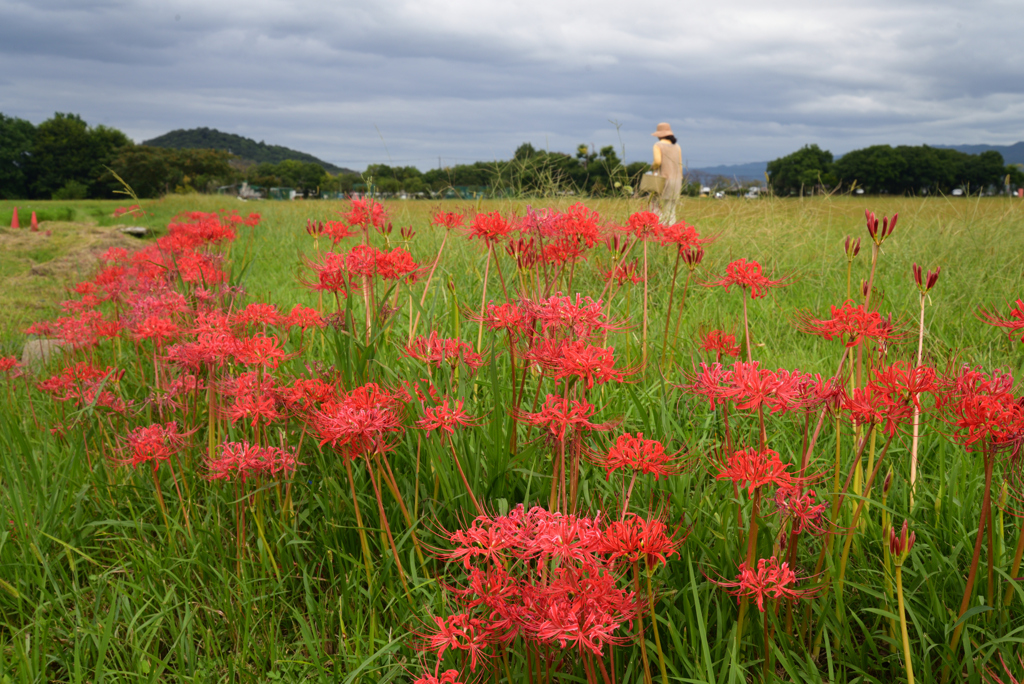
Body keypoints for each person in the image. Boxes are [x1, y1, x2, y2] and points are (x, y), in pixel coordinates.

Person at [650, 122, 683, 225]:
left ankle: (658, 227)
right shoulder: (677, 146)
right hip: (677, 181)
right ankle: (671, 230)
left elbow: (657, 162)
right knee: (671, 209)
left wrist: (652, 167)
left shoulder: (658, 145)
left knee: (654, 205)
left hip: (662, 180)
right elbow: (680, 165)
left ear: (659, 135)